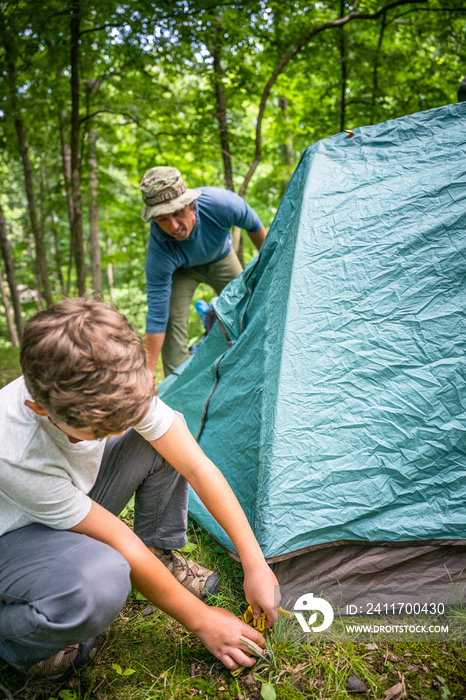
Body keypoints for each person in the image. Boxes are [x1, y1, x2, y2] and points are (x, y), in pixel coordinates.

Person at [0, 298, 279, 682]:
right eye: (100, 432)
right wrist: (202, 622)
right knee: (104, 578)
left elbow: (195, 466)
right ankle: (20, 641)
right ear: (40, 409)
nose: (117, 433)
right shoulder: (14, 452)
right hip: (13, 536)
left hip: (63, 502)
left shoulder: (111, 379)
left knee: (160, 439)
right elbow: (120, 541)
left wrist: (255, 564)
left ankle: (159, 554)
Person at [139, 167, 267, 376]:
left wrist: (271, 268)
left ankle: (256, 364)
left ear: (190, 205)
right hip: (182, 270)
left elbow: (255, 227)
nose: (173, 226)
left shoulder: (222, 204)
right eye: (163, 219)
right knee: (172, 319)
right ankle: (177, 384)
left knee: (248, 304)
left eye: (177, 213)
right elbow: (156, 317)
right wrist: (146, 374)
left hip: (221, 257)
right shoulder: (159, 251)